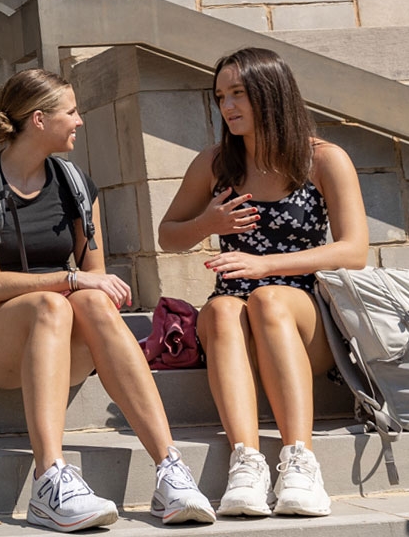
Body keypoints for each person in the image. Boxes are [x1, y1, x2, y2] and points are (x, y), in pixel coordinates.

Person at [0, 70, 213, 532]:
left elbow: (95, 277)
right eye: (71, 111)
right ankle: (49, 478)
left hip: (59, 335)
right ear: (39, 119)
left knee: (90, 303)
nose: (80, 121)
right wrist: (69, 280)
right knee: (57, 303)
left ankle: (170, 469)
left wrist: (83, 285)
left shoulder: (75, 185)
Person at [157, 47, 367, 518]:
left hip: (302, 318)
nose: (227, 106)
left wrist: (267, 266)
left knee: (269, 300)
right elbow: (168, 236)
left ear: (270, 95)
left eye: (239, 94)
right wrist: (207, 223)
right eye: (220, 96)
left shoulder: (322, 160)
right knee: (222, 309)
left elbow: (353, 250)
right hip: (233, 321)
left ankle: (299, 462)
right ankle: (246, 464)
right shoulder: (215, 164)